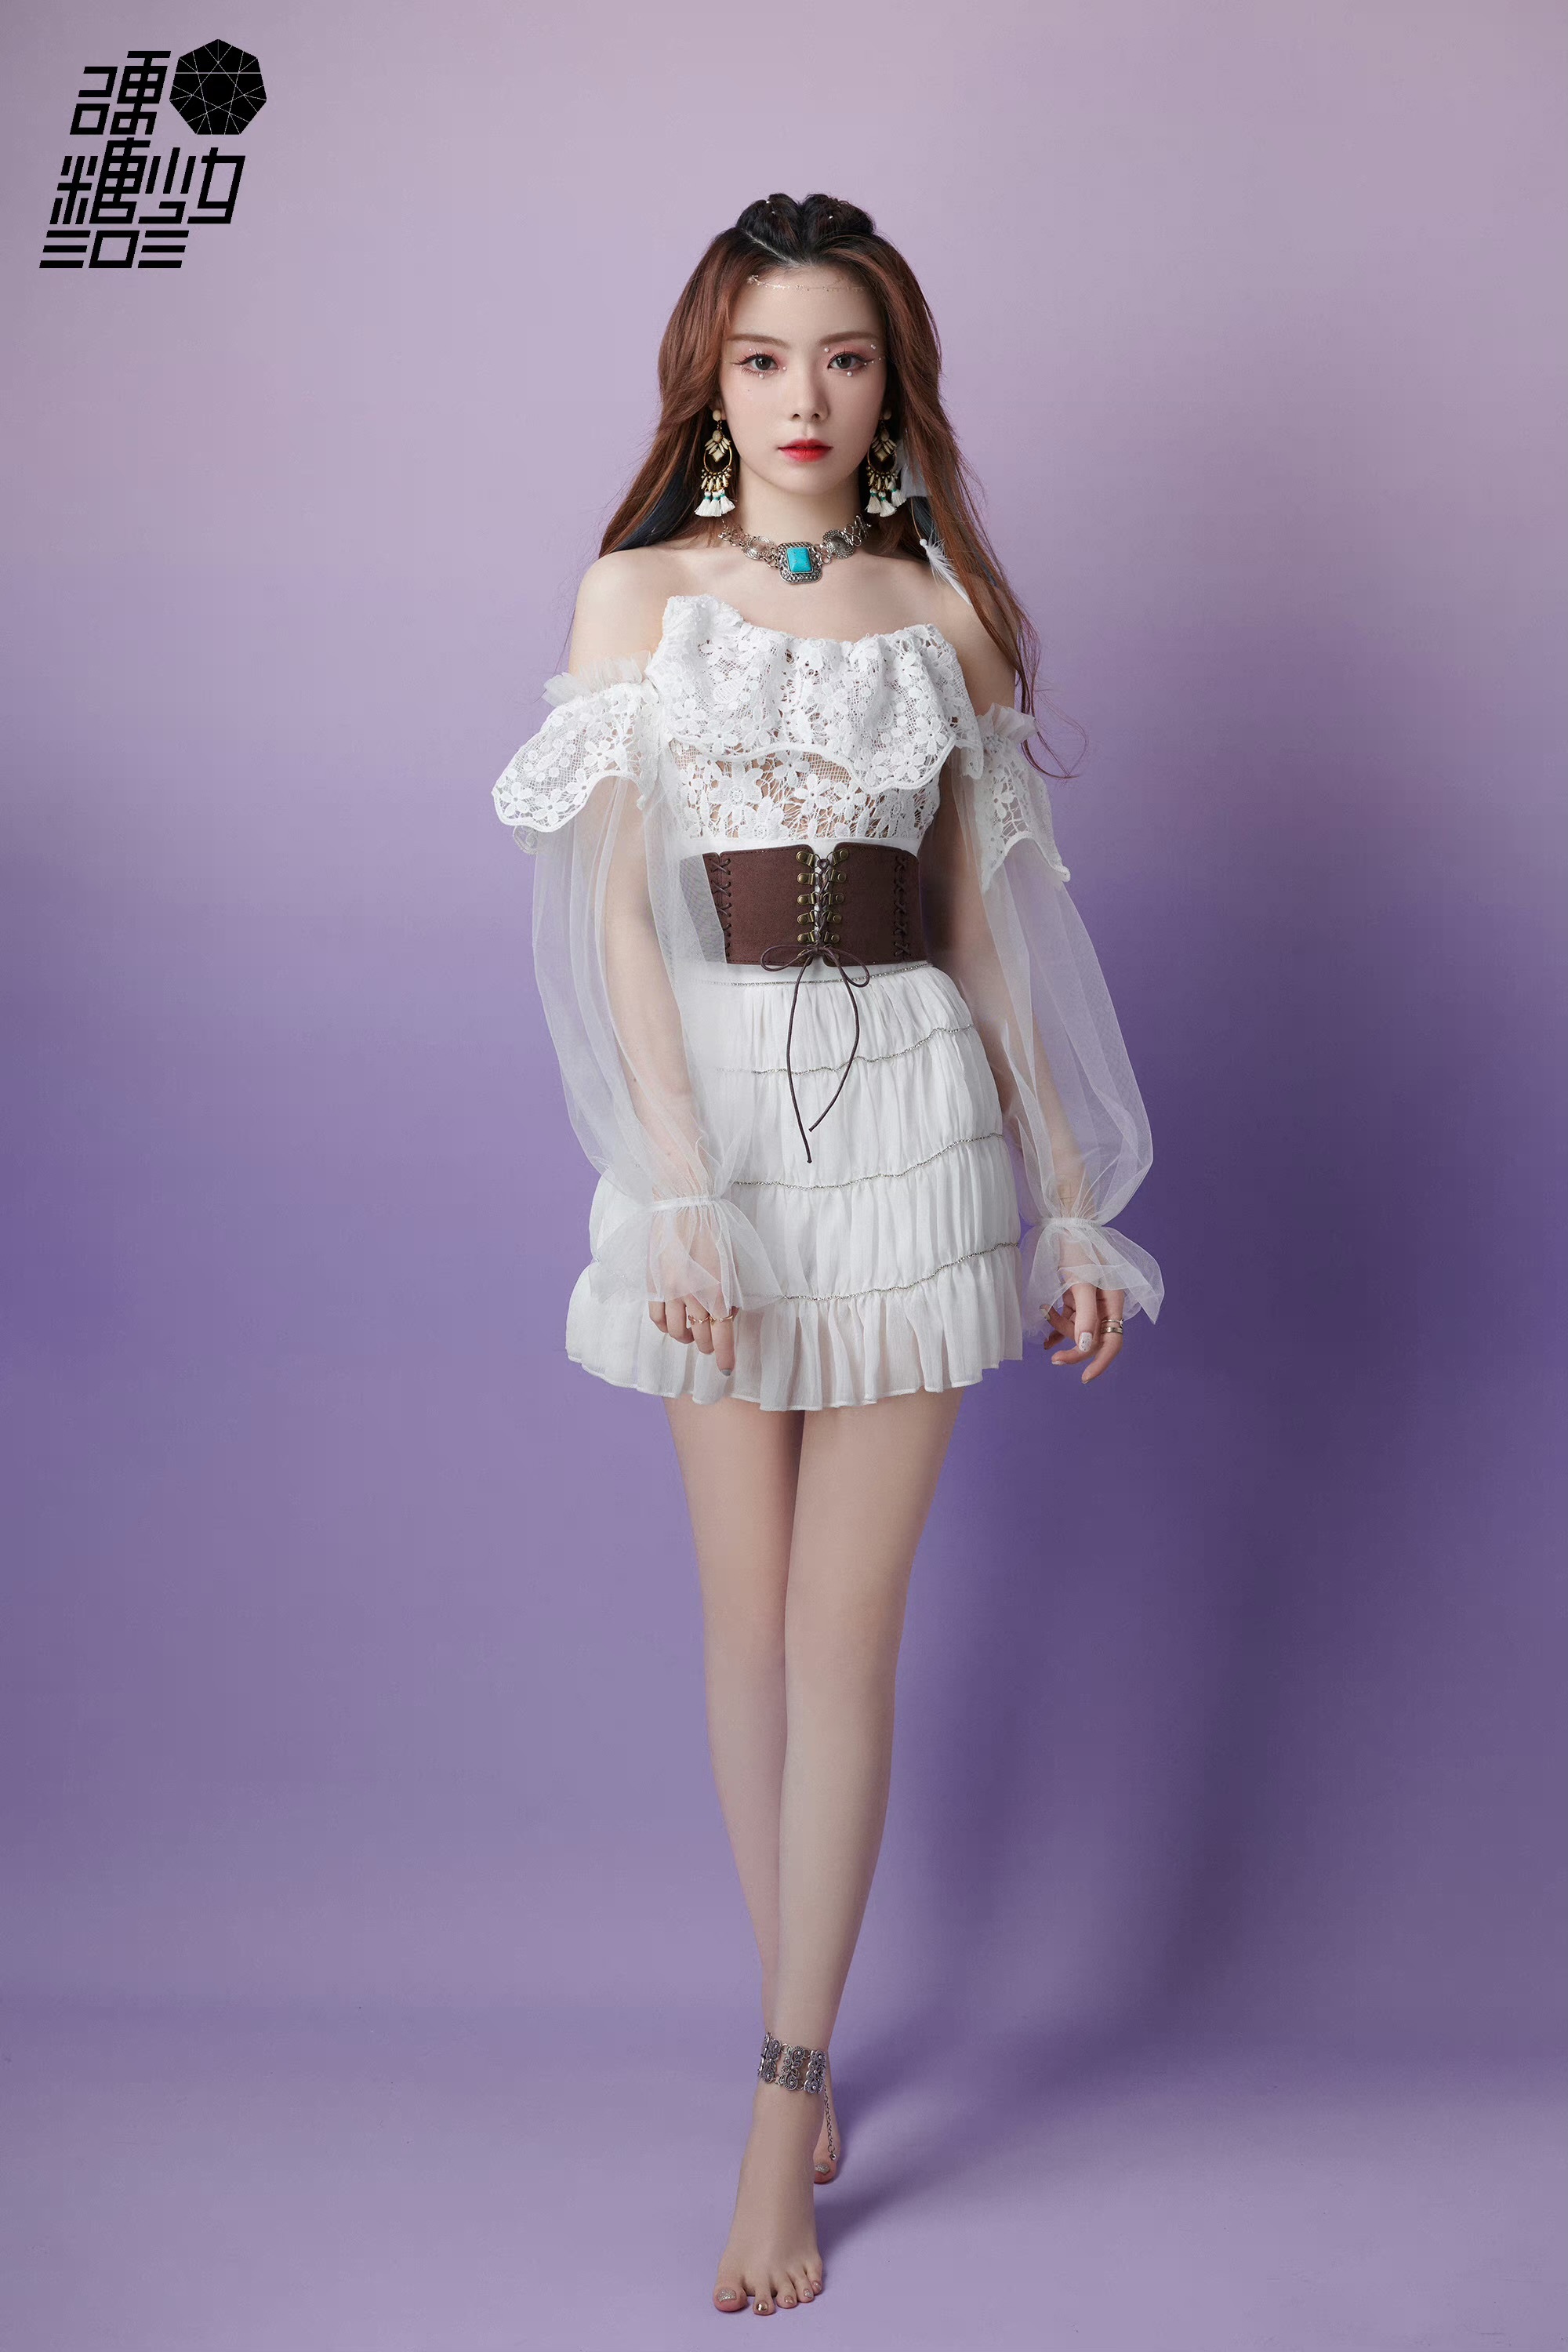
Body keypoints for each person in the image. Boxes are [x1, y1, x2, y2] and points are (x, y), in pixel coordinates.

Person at [492, 191, 1163, 2318]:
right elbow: (614, 916)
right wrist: (674, 1183)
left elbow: (987, 925)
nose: (806, 398)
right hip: (712, 1119)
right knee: (749, 1626)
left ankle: (783, 2102)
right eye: (767, 357)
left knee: (843, 1638)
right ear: (713, 377)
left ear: (895, 382)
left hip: (911, 1122)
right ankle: (804, 2014)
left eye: (846, 358)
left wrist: (1072, 1193)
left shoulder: (944, 610)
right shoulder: (638, 594)